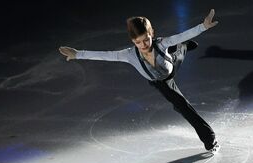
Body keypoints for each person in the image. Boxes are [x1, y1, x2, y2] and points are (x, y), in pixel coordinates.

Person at [59, 9, 220, 153]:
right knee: (182, 106)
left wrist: (203, 26)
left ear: (152, 34)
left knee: (180, 47)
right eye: (138, 42)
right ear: (132, 41)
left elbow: (182, 35)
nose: (143, 45)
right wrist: (78, 54)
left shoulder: (162, 43)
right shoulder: (128, 55)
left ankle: (183, 48)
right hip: (161, 82)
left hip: (171, 64)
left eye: (146, 40)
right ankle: (210, 138)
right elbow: (106, 55)